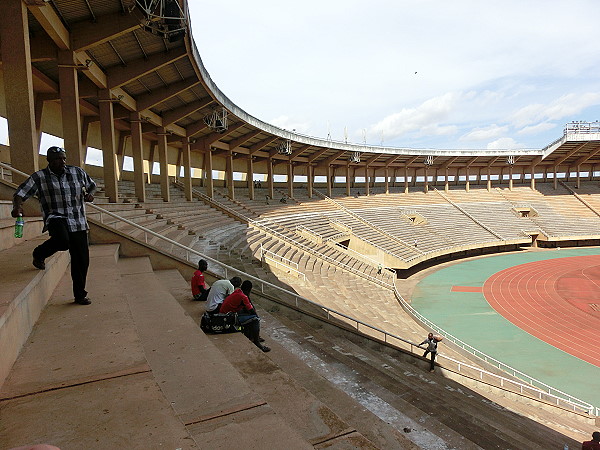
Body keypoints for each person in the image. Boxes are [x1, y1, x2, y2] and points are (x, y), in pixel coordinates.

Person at [12, 146, 96, 305]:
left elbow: (92, 185)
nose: (62, 162)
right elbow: (20, 193)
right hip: (55, 217)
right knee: (62, 241)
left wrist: (90, 194)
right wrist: (17, 207)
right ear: (49, 161)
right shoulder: (40, 177)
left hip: (78, 221)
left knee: (82, 260)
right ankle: (39, 253)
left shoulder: (77, 172)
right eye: (57, 159)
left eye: (63, 158)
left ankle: (79, 295)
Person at [220, 280, 270, 352]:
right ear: (249, 290)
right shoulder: (243, 297)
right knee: (255, 319)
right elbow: (252, 311)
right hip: (228, 318)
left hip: (225, 314)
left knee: (247, 315)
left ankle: (250, 336)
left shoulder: (238, 292)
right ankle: (257, 342)